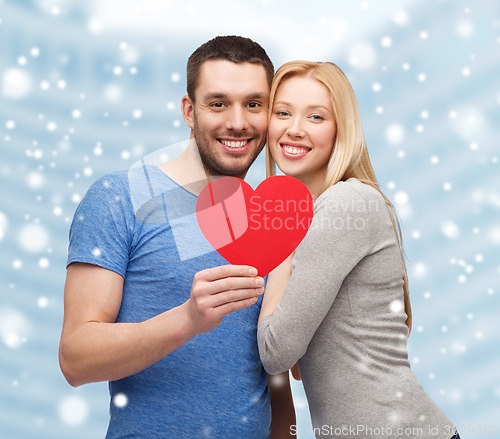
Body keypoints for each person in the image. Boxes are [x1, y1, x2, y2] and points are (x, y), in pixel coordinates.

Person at [59, 36, 295, 438]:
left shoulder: (274, 219)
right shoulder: (120, 196)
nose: (237, 122)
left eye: (253, 104)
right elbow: (75, 359)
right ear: (189, 110)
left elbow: (273, 372)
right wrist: (187, 320)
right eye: (218, 103)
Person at [257, 61, 459, 439]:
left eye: (316, 116)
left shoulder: (346, 204)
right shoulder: (321, 212)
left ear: (340, 129)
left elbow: (277, 352)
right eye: (282, 113)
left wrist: (279, 252)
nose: (294, 129)